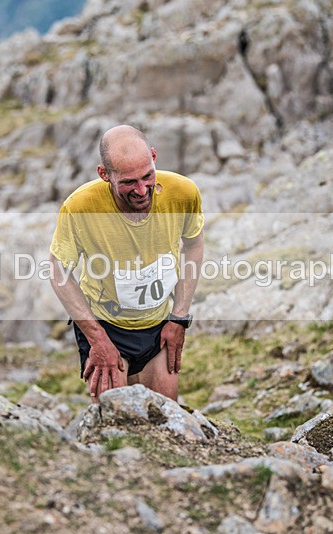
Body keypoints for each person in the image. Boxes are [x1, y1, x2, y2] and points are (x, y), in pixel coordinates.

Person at [48, 125, 204, 402]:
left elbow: (193, 245)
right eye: (129, 182)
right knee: (115, 421)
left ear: (154, 156)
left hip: (158, 323)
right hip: (106, 326)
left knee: (166, 421)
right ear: (104, 174)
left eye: (147, 176)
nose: (142, 190)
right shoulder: (80, 208)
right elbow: (57, 270)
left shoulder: (183, 192)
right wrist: (96, 338)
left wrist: (179, 317)